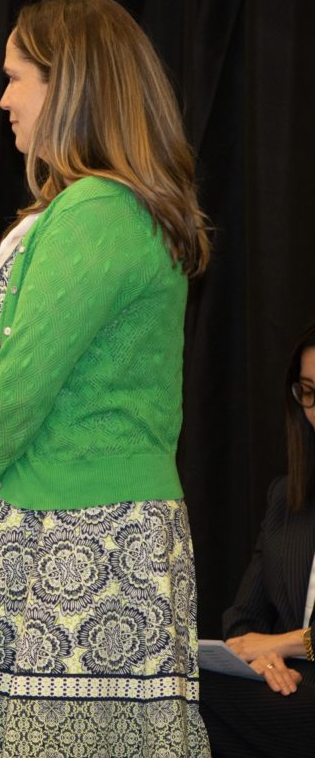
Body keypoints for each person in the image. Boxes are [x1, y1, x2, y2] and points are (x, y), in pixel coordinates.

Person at [0, 0, 213, 756]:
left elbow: (24, 383)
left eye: (16, 78)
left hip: (87, 534)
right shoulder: (67, 211)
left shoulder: (100, 210)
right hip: (32, 526)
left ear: (67, 85)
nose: (3, 99)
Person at [198, 322, 315, 756]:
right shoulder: (287, 497)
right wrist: (265, 659)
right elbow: (244, 617)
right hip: (290, 683)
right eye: (309, 392)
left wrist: (286, 642)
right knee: (181, 685)